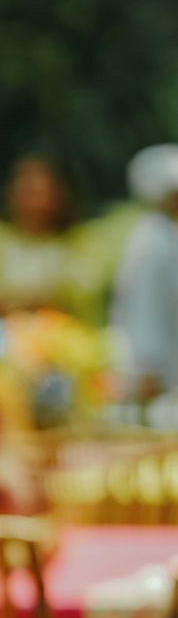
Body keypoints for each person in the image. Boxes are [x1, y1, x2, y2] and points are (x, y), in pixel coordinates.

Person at [0, 155, 92, 316]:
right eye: (24, 194)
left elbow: (86, 291)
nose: (31, 204)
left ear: (59, 196)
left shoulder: (79, 240)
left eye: (38, 194)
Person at [110, 145, 178, 415]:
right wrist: (147, 368)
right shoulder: (151, 241)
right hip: (154, 372)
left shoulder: (166, 235)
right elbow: (144, 308)